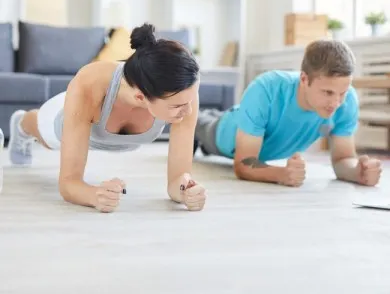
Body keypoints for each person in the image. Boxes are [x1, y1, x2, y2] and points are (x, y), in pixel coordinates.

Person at [8, 23, 206, 213]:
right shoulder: (90, 83)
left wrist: (185, 190)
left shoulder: (183, 93)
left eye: (189, 102)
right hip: (67, 115)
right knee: (45, 134)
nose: (189, 111)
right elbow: (68, 183)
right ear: (140, 97)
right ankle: (21, 123)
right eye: (178, 106)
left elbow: (177, 180)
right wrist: (94, 195)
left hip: (96, 118)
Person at [194, 39, 382, 187]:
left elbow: (343, 159)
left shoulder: (347, 101)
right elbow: (244, 163)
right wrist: (281, 174)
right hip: (224, 133)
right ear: (304, 79)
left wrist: (358, 172)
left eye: (343, 93)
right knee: (197, 121)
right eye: (328, 92)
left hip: (258, 140)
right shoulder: (266, 88)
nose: (336, 103)